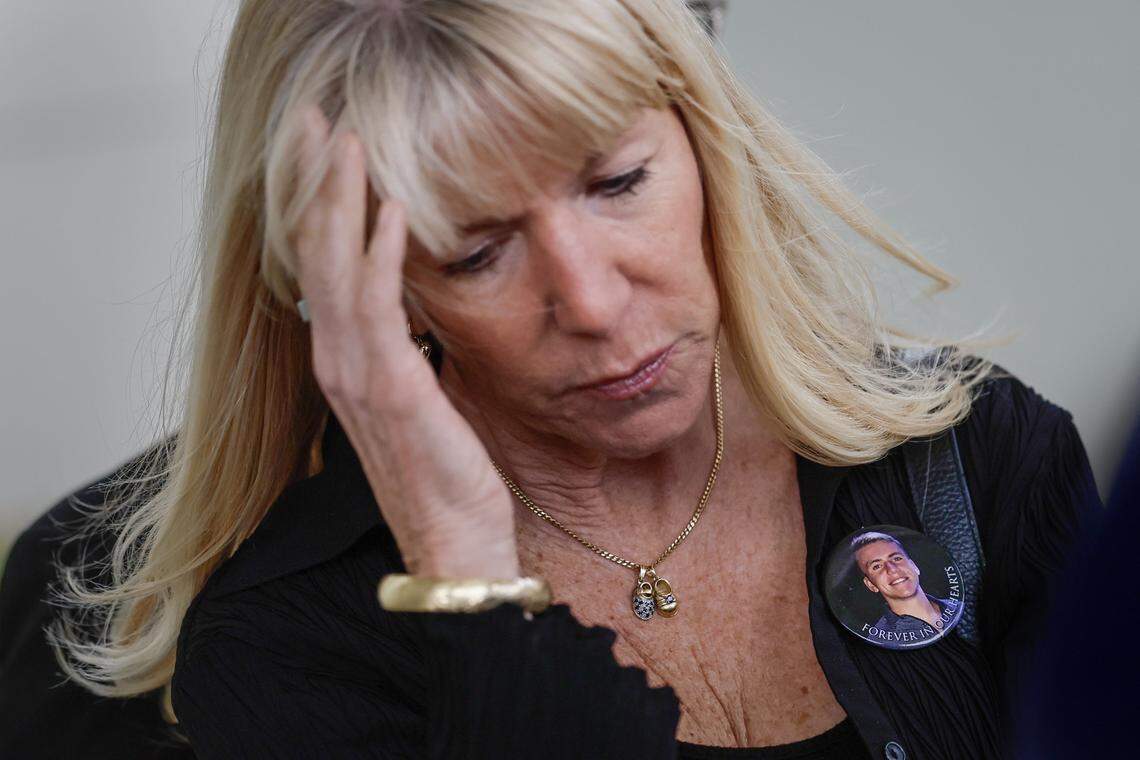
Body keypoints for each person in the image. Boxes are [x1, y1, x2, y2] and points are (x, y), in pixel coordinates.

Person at [27, 1, 1102, 758]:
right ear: (368, 295)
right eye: (476, 253)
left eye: (619, 181)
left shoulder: (979, 458)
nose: (588, 299)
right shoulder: (286, 644)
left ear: (706, 140)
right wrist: (463, 568)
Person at [851, 531, 959, 641]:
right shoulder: (881, 641)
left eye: (896, 558)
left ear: (914, 566)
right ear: (870, 585)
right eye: (877, 566)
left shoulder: (960, 608)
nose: (892, 569)